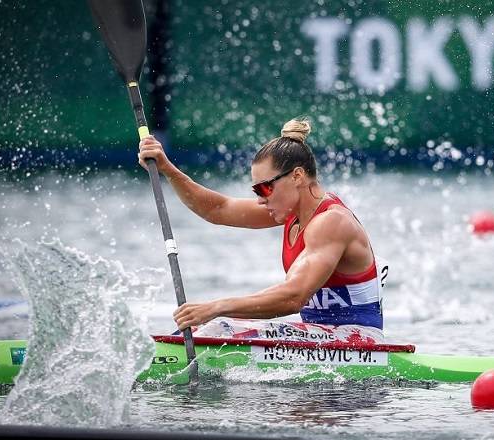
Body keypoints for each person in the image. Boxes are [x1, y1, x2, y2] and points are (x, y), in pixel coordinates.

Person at [137, 118, 385, 340]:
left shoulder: (331, 222)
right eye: (256, 190)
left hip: (360, 342)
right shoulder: (294, 212)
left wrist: (216, 307)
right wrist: (168, 169)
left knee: (218, 327)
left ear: (297, 176)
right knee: (207, 327)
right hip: (322, 339)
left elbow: (294, 297)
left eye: (264, 188)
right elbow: (218, 209)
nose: (260, 199)